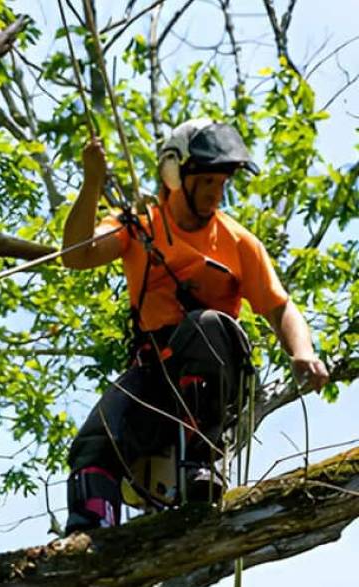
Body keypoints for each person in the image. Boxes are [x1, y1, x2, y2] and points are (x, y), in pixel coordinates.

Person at [61, 118, 329, 534]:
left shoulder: (238, 242)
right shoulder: (140, 225)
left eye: (221, 183)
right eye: (206, 181)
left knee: (203, 326)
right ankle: (92, 531)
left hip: (213, 374)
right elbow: (77, 255)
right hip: (156, 372)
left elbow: (280, 309)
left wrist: (302, 352)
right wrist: (91, 181)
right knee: (94, 444)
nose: (215, 193)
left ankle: (202, 462)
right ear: (174, 174)